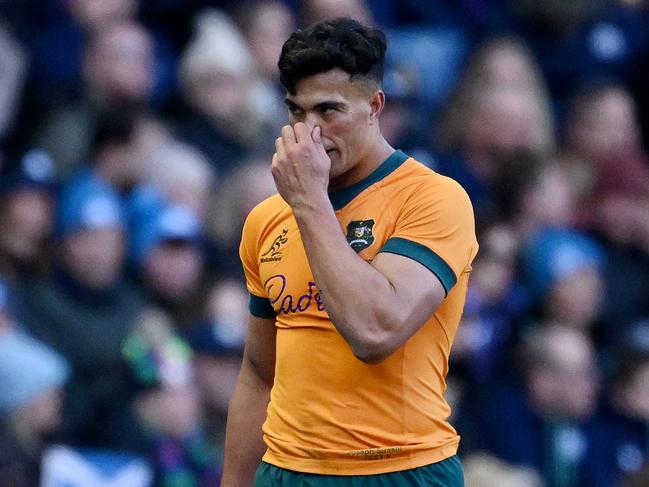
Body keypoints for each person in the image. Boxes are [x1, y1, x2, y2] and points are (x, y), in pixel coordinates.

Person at [221, 17, 478, 486]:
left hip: (399, 469)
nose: (310, 131)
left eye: (328, 110)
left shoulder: (434, 200)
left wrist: (310, 203)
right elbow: (259, 372)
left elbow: (375, 331)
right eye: (297, 112)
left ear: (375, 105)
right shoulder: (266, 220)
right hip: (287, 473)